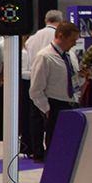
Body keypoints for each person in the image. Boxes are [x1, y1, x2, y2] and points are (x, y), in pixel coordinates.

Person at [28, 20, 80, 160]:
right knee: (55, 149)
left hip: (72, 104)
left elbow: (72, 82)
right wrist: (47, 110)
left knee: (71, 149)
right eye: (72, 40)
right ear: (61, 36)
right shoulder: (44, 56)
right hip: (55, 105)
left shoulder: (70, 55)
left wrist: (81, 77)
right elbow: (36, 89)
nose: (74, 44)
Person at [20, 9, 65, 159]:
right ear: (60, 22)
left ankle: (37, 151)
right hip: (52, 82)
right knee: (52, 120)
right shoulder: (58, 37)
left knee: (35, 119)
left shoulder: (33, 37)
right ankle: (52, 152)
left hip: (34, 78)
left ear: (46, 20)